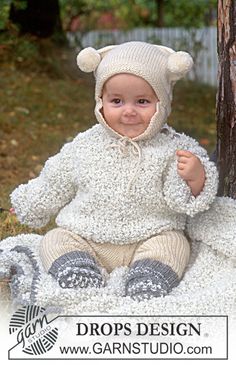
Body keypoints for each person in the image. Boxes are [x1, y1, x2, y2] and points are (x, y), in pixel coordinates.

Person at [10, 41, 218, 301]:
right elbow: (55, 179)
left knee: (175, 243)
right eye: (117, 101)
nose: (129, 111)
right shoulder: (85, 145)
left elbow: (185, 200)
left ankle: (149, 277)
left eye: (142, 101)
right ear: (101, 102)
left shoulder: (173, 147)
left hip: (149, 237)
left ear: (162, 103)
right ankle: (77, 269)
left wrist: (196, 178)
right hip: (87, 236)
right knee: (55, 239)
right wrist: (29, 203)